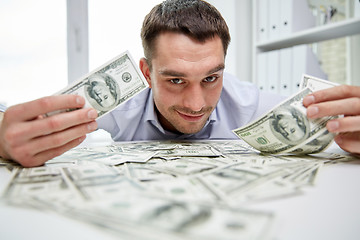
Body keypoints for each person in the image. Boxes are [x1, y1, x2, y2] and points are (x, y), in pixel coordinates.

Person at [0, 0, 359, 168]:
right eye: (175, 79)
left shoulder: (251, 106)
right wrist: (4, 140)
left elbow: (323, 125)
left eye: (211, 78)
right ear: (145, 72)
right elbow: (22, 118)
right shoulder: (117, 105)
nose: (196, 102)